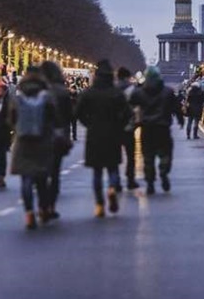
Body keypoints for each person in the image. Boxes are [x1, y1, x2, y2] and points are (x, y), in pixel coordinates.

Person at [75, 60, 130, 218]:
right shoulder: (117, 93)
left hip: (95, 135)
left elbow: (78, 112)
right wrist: (119, 126)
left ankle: (99, 204)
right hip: (113, 134)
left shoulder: (89, 93)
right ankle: (112, 188)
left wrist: (89, 124)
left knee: (97, 171)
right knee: (112, 167)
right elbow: (127, 114)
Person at [9, 66, 56, 229]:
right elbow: (53, 118)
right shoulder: (47, 96)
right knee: (42, 179)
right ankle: (43, 209)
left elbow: (12, 118)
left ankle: (29, 213)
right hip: (42, 141)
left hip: (23, 141)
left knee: (26, 179)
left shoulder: (18, 95)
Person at [130, 66, 184, 195]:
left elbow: (130, 108)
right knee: (165, 154)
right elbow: (176, 108)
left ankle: (150, 183)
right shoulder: (168, 92)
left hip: (147, 128)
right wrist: (180, 120)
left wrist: (132, 123)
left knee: (148, 157)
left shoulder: (139, 92)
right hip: (163, 128)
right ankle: (163, 172)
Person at [41, 60, 73, 220]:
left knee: (40, 173)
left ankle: (41, 206)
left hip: (38, 136)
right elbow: (69, 116)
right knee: (54, 174)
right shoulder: (62, 91)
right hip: (58, 136)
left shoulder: (37, 89)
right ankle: (51, 206)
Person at [116, 66, 139, 190]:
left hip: (114, 127)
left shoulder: (112, 89)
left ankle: (116, 181)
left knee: (115, 155)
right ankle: (130, 179)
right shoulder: (132, 89)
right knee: (130, 155)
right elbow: (138, 106)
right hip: (129, 126)